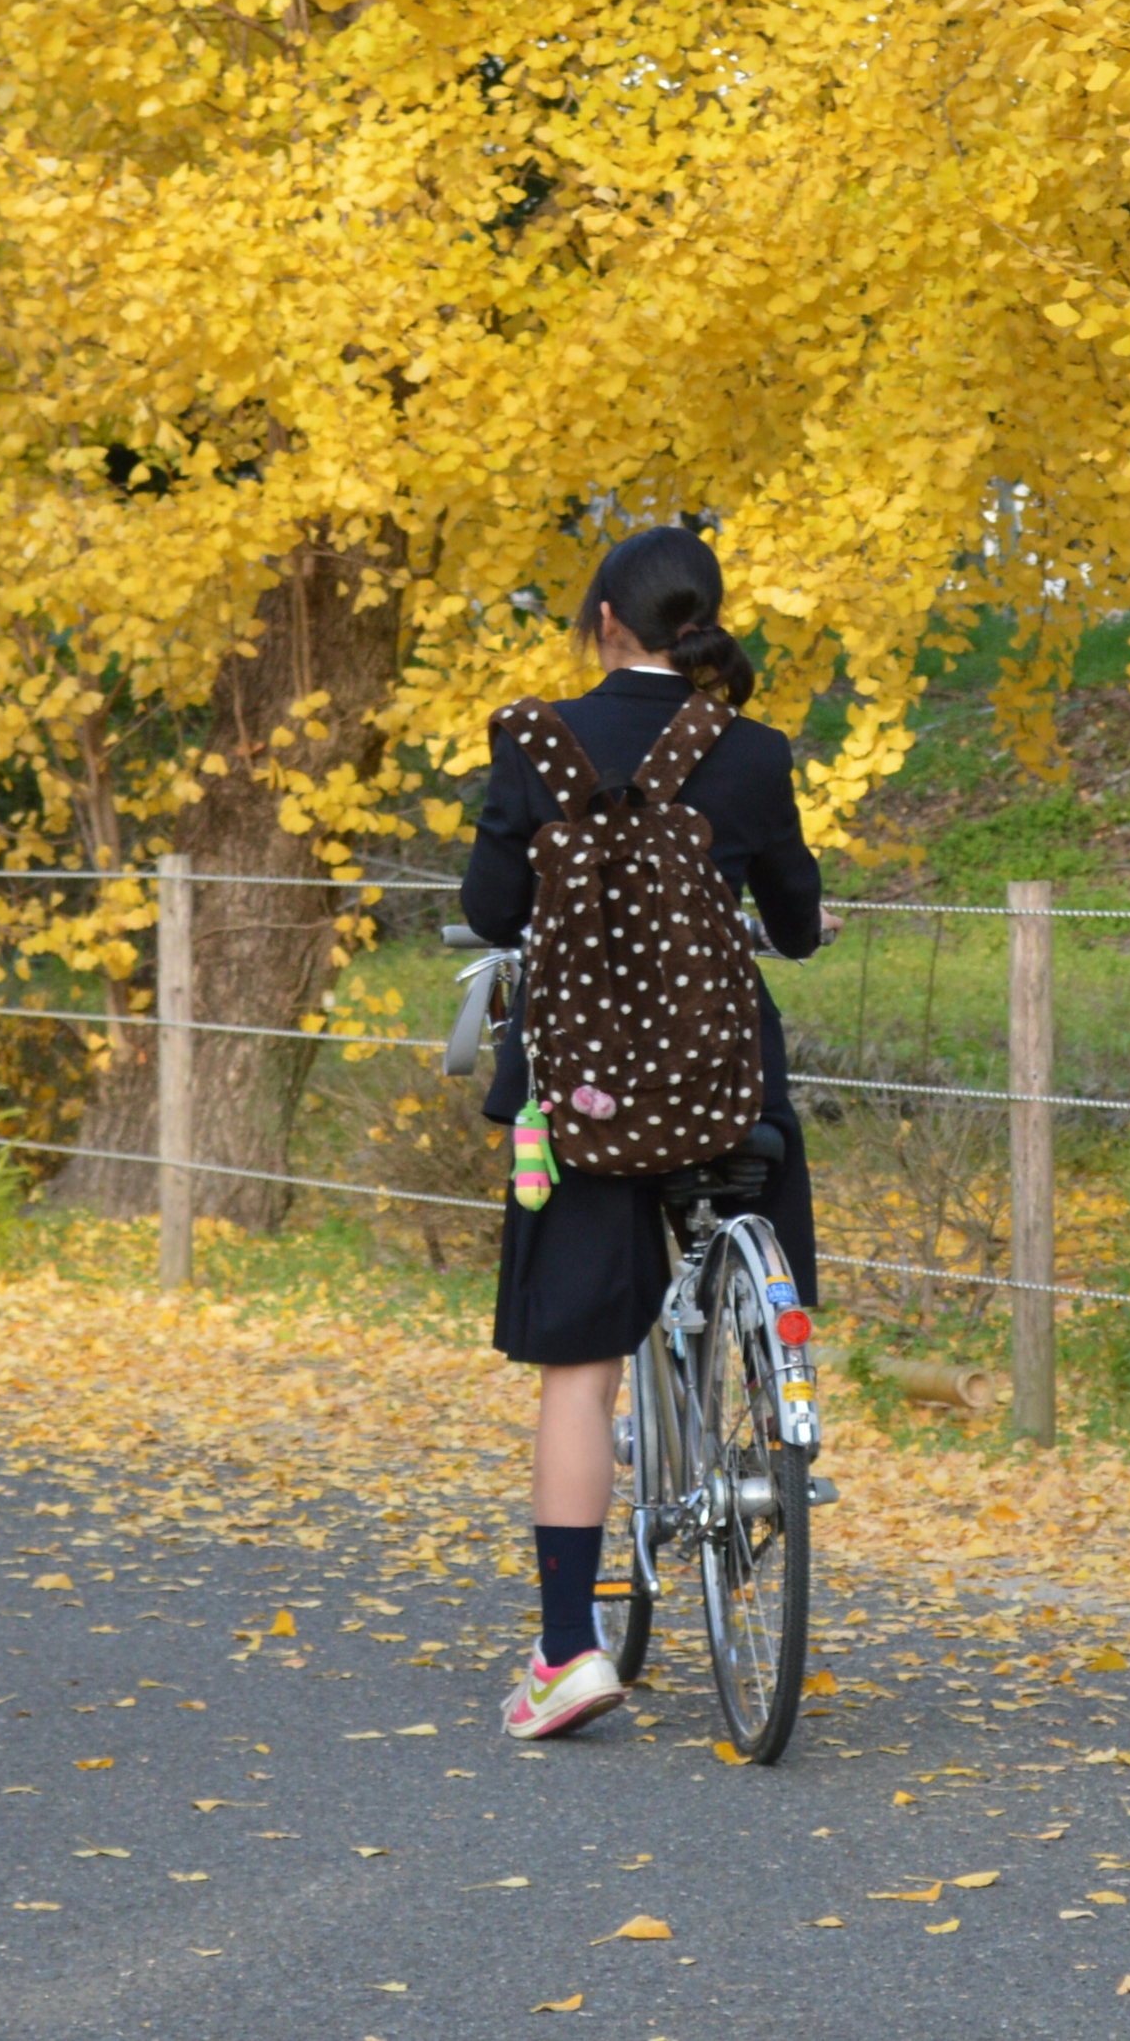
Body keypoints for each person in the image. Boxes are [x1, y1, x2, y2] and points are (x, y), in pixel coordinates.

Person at [456, 524, 829, 1741]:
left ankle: (569, 1652)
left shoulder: (531, 741)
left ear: (604, 622)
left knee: (580, 1368)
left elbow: (490, 907)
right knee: (756, 1256)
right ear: (696, 623)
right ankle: (770, 1399)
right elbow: (799, 920)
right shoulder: (753, 751)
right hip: (723, 1083)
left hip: (579, 1097)